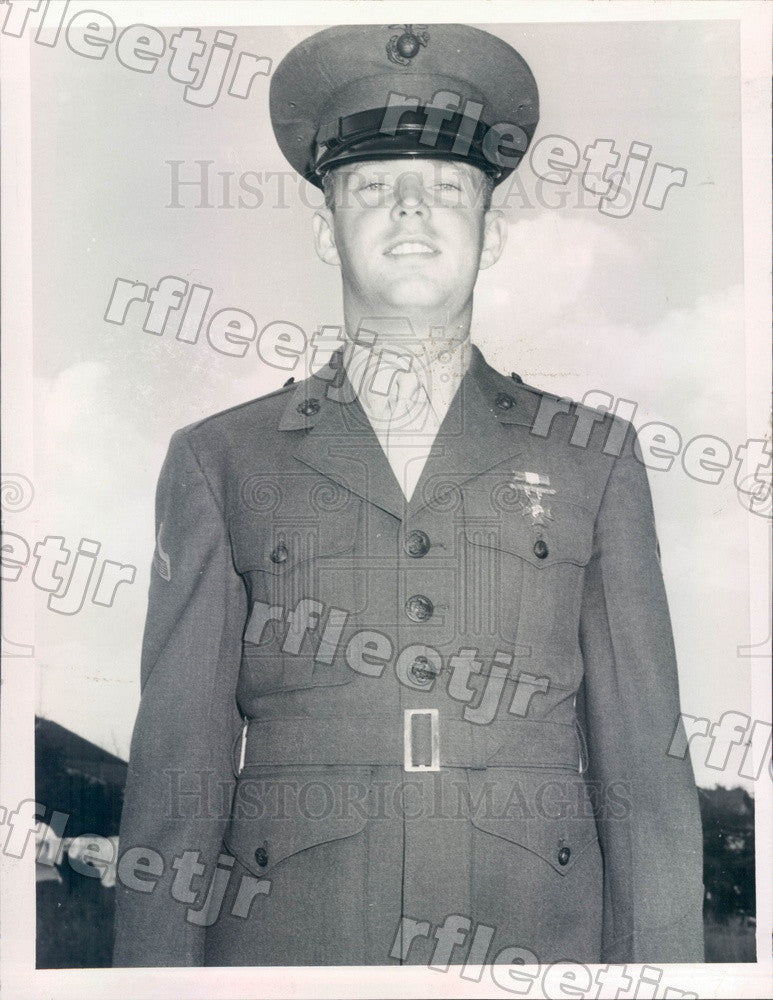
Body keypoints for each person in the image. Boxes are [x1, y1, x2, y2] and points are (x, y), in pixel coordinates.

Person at [113, 23, 704, 967]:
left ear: (492, 226)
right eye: (375, 189)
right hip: (292, 946)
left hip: (534, 936)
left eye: (445, 190)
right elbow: (176, 777)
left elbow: (644, 774)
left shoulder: (594, 459)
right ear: (324, 223)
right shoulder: (220, 461)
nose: (411, 214)